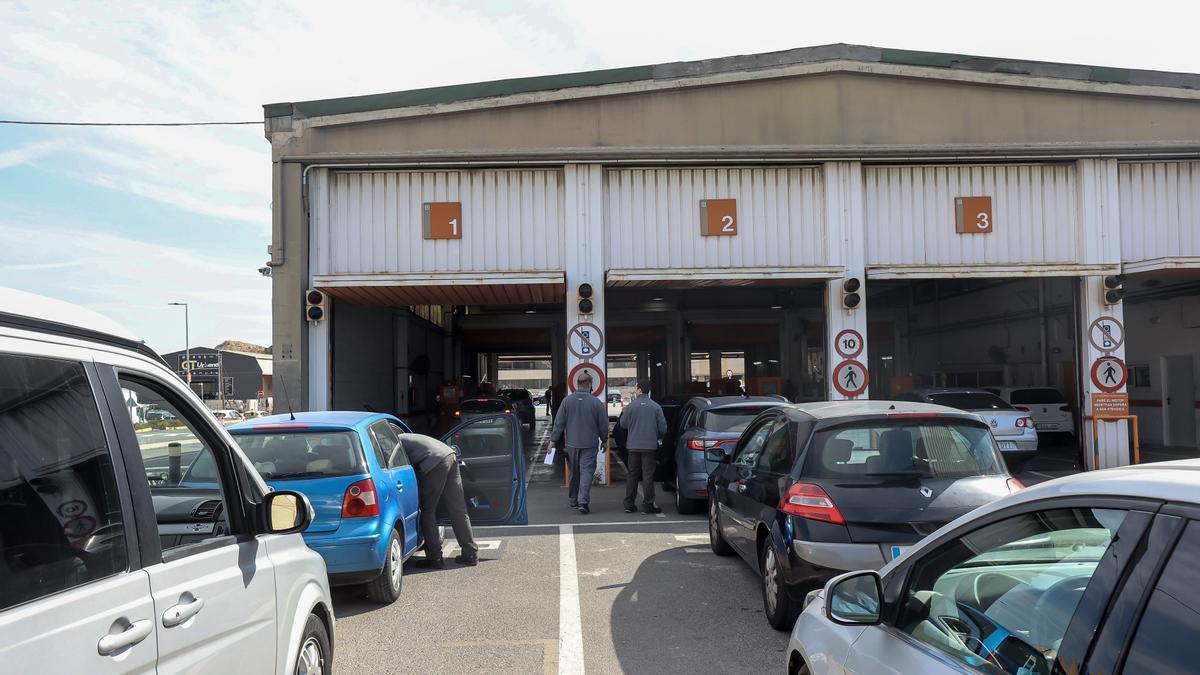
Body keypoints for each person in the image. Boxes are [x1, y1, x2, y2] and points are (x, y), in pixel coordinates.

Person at [397, 433, 479, 567]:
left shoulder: (392, 441)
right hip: (450, 455)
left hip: (435, 461)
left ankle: (434, 558)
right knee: (458, 509)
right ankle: (471, 554)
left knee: (427, 511)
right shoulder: (406, 436)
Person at [550, 372, 608, 515]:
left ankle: (573, 499)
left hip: (572, 444)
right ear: (589, 384)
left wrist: (552, 441)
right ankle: (583, 501)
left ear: (577, 384)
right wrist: (605, 440)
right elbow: (603, 425)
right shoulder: (596, 403)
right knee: (587, 472)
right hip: (589, 444)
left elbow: (559, 423)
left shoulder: (567, 401)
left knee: (574, 472)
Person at [619, 379, 668, 514]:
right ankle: (648, 505)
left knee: (632, 475)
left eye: (636, 388)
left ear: (639, 389)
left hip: (633, 446)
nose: (635, 389)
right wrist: (656, 436)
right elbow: (663, 428)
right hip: (649, 446)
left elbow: (622, 424)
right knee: (647, 475)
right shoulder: (656, 407)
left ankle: (629, 504)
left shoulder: (631, 406)